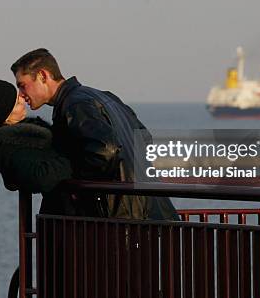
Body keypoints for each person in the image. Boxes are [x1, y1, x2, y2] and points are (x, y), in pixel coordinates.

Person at [11, 48, 178, 220]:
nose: (21, 96)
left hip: (123, 220)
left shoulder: (74, 105)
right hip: (155, 212)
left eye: (22, 86)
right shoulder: (104, 97)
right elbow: (144, 139)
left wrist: (69, 179)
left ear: (42, 76)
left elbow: (105, 150)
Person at [0, 79, 75, 215]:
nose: (22, 98)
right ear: (6, 117)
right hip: (65, 220)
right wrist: (77, 156)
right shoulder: (8, 146)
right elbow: (41, 178)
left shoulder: (16, 137)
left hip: (63, 216)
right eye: (16, 102)